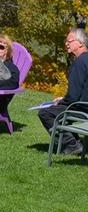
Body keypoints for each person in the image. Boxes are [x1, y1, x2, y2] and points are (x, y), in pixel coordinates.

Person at [37, 28, 88, 156]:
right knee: (60, 110)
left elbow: (74, 97)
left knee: (45, 113)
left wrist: (61, 101)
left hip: (83, 108)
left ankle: (71, 145)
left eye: (69, 41)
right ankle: (77, 143)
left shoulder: (80, 63)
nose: (66, 44)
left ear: (80, 43)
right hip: (84, 104)